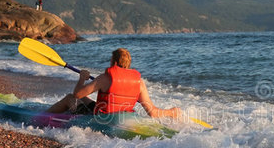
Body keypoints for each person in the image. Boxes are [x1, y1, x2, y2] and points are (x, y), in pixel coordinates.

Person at [47, 48, 181, 118]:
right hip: (122, 116)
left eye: (111, 60)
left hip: (102, 118)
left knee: (70, 98)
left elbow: (77, 94)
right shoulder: (139, 82)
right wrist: (170, 112)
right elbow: (153, 113)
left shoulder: (105, 78)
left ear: (115, 63)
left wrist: (82, 78)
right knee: (87, 100)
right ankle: (174, 113)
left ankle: (41, 116)